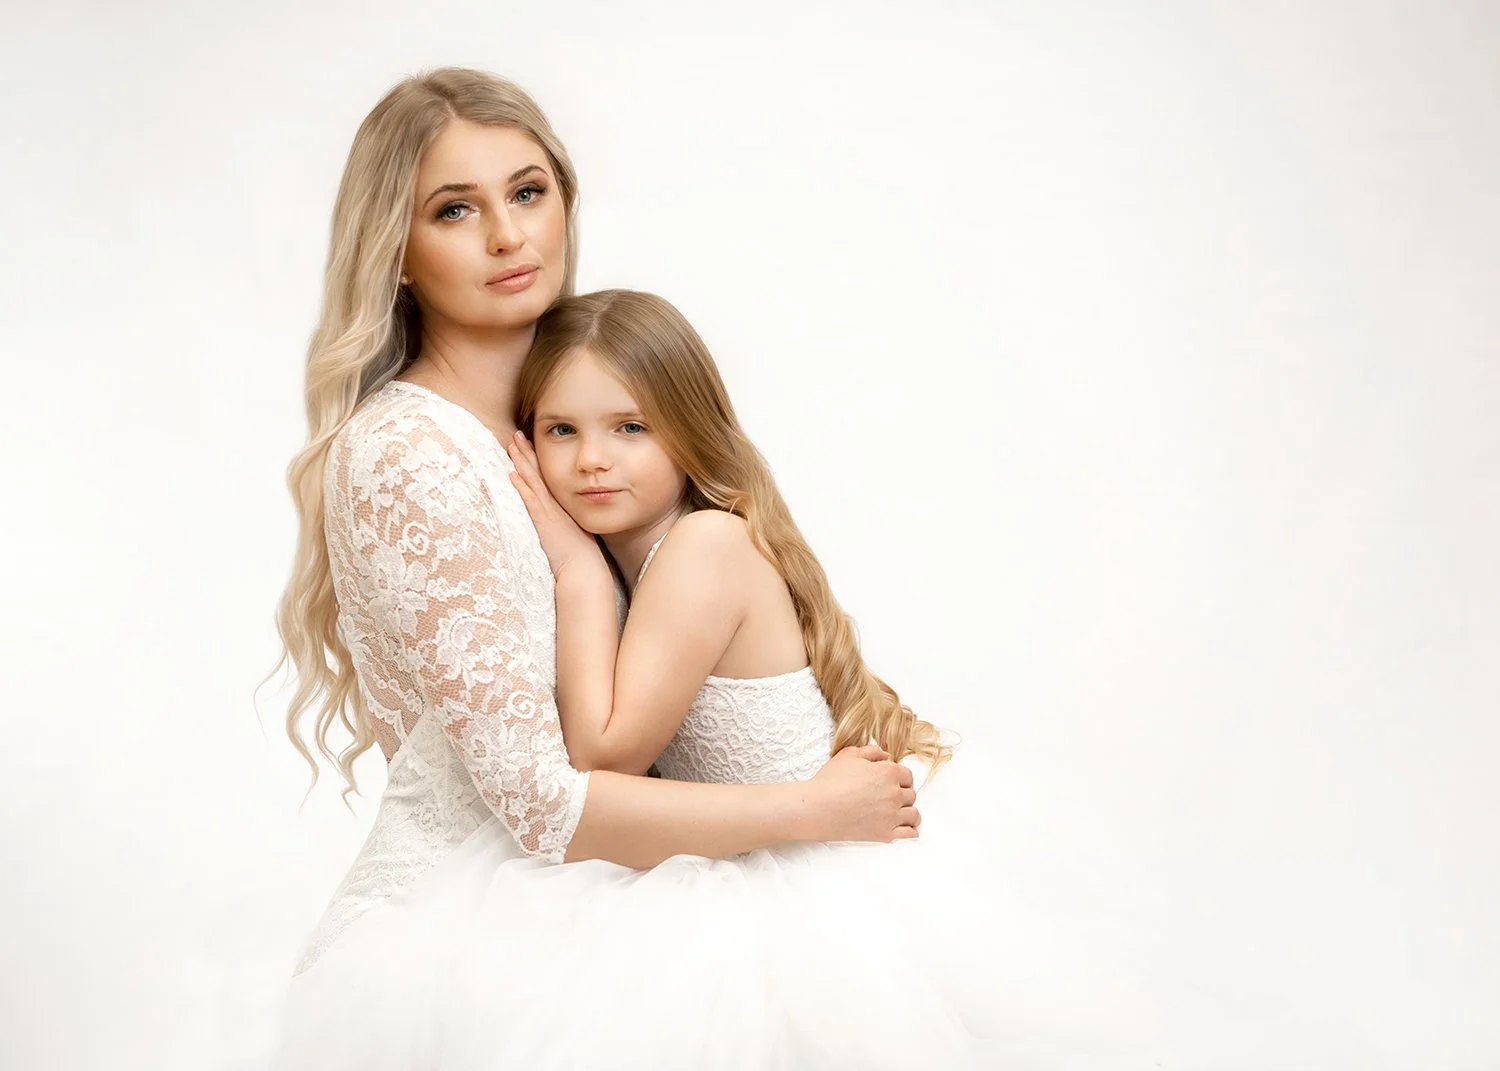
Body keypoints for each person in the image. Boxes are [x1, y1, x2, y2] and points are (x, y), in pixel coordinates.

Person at [274, 67, 955, 1070]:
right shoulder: (416, 456)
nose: (509, 236)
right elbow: (546, 804)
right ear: (398, 253)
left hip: (616, 909)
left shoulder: (558, 433)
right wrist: (812, 808)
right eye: (455, 209)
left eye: (529, 191)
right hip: (491, 947)